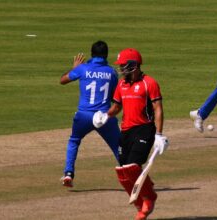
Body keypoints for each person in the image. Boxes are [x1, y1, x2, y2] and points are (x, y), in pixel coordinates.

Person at [93, 48, 169, 220]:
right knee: (122, 172)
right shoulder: (121, 84)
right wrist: (105, 115)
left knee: (132, 167)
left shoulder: (149, 83)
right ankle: (138, 203)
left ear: (134, 65)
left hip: (145, 129)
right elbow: (117, 106)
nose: (121, 69)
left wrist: (159, 134)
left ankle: (150, 197)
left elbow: (158, 109)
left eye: (123, 65)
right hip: (126, 131)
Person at [59, 40, 120, 187]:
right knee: (119, 147)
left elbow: (63, 80)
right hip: (105, 116)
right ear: (106, 55)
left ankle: (68, 174)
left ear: (92, 54)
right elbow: (115, 97)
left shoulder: (83, 69)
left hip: (84, 116)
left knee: (74, 140)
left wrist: (75, 68)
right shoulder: (112, 72)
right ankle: (134, 173)